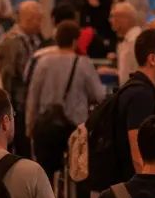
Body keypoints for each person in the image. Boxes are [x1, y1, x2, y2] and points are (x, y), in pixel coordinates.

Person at [25, 20, 105, 175]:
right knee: (74, 172)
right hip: (74, 126)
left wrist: (30, 126)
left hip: (45, 126)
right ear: (75, 41)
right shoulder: (83, 63)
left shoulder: (43, 62)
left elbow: (32, 96)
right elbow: (99, 95)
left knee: (45, 173)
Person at [113, 28, 155, 182]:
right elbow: (138, 152)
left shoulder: (136, 88)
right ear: (152, 59)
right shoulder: (141, 95)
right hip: (127, 191)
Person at [0, 0, 45, 126]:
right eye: (39, 20)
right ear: (29, 19)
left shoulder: (35, 39)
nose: (40, 24)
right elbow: (6, 73)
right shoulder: (12, 41)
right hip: (17, 100)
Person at [109, 0, 142, 86]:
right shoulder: (128, 40)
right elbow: (127, 71)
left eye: (113, 16)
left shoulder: (134, 41)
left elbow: (134, 73)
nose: (111, 20)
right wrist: (113, 72)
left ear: (125, 19)